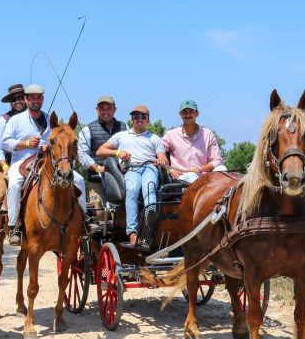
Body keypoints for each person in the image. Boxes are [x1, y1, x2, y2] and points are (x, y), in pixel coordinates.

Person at [1, 84, 96, 246]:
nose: (36, 100)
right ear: (26, 100)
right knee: (15, 184)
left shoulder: (49, 120)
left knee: (79, 180)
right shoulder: (16, 120)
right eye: (32, 98)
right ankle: (14, 226)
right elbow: (5, 143)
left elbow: (57, 142)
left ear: (43, 99)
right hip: (21, 160)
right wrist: (26, 143)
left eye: (38, 97)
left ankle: (84, 220)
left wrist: (48, 146)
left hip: (46, 160)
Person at [96, 104, 168, 246]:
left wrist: (161, 161)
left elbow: (163, 158)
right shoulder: (121, 136)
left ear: (148, 120)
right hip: (131, 169)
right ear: (131, 120)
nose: (139, 119)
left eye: (143, 116)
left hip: (149, 168)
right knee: (132, 190)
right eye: (136, 116)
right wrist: (118, 153)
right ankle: (133, 232)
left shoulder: (155, 138)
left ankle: (148, 229)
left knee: (149, 189)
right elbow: (100, 151)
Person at [0, 83, 27, 254]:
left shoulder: (33, 118)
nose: (18, 101)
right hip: (7, 164)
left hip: (29, 163)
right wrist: (4, 166)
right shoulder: (2, 120)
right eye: (14, 99)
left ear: (26, 99)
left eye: (21, 97)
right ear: (10, 102)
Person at [162, 99, 227, 183]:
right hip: (182, 179)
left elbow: (217, 160)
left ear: (197, 113)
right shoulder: (170, 135)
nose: (188, 114)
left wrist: (199, 169)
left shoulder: (208, 134)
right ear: (180, 114)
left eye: (191, 111)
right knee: (191, 175)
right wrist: (169, 169)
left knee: (222, 169)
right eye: (184, 112)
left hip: (205, 178)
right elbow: (159, 153)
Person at [77, 95, 126, 202]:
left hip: (122, 180)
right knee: (98, 211)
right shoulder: (86, 130)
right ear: (97, 110)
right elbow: (83, 155)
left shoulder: (125, 128)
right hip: (97, 180)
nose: (105, 112)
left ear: (115, 110)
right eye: (102, 109)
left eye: (109, 108)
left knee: (123, 211)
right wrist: (98, 168)